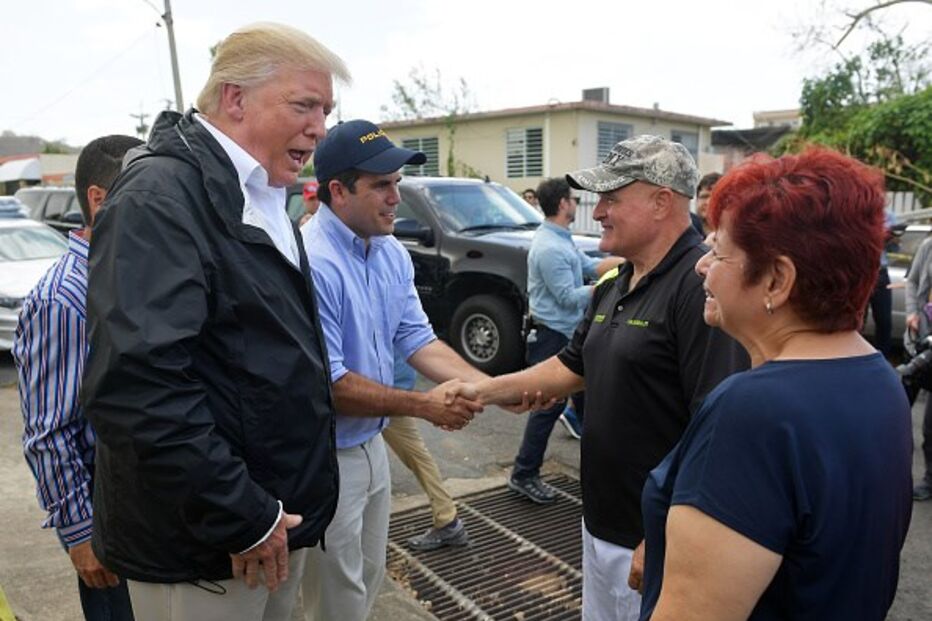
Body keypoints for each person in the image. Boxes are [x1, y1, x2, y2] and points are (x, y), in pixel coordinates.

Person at [81, 23, 350, 621]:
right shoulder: (159, 197)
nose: (320, 128)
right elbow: (137, 389)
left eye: (326, 111)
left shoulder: (262, 194)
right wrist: (244, 514)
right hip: (206, 551)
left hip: (270, 530)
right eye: (304, 105)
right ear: (235, 98)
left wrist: (274, 514)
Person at [458, 135, 748, 620]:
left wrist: (666, 535)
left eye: (611, 199)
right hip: (600, 522)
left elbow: (716, 431)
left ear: (661, 202)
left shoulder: (698, 289)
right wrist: (482, 390)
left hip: (652, 539)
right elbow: (571, 366)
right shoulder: (616, 282)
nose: (597, 213)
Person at [638, 148, 913, 620]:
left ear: (777, 280)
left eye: (718, 252)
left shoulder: (752, 411)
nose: (702, 266)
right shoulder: (879, 378)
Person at [299, 119, 486, 621]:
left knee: (367, 578)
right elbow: (331, 384)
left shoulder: (388, 252)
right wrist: (425, 405)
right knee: (334, 600)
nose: (396, 197)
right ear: (338, 191)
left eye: (397, 183)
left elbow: (416, 338)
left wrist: (495, 388)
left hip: (372, 445)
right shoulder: (312, 262)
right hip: (327, 457)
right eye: (381, 184)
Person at [13, 135, 142, 621]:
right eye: (145, 193)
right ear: (99, 200)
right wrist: (81, 534)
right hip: (108, 525)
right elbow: (49, 431)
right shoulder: (63, 299)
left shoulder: (126, 277)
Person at [508, 177, 621, 504]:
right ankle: (523, 474)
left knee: (590, 406)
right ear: (562, 204)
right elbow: (568, 298)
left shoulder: (560, 238)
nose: (576, 203)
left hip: (568, 333)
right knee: (546, 408)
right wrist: (605, 288)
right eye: (573, 198)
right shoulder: (549, 248)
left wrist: (627, 263)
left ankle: (600, 478)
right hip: (553, 337)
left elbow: (589, 266)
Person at [386, 351, 470, 550]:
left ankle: (448, 521)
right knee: (418, 457)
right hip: (391, 389)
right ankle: (448, 520)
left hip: (380, 393)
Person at [904, 234, 932, 501]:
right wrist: (912, 312)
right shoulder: (928, 246)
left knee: (930, 423)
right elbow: (912, 282)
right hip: (922, 339)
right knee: (898, 410)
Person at [865, 209, 896, 356]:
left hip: (881, 272)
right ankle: (851, 357)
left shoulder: (888, 215)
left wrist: (890, 238)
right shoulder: (857, 212)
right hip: (861, 271)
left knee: (884, 321)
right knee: (856, 320)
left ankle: (883, 357)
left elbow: (895, 248)